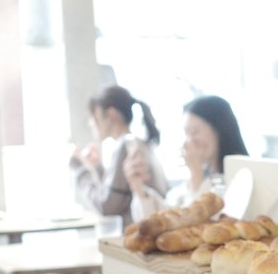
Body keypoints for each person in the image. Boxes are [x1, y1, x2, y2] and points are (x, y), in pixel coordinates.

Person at [124, 95, 248, 218]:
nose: (187, 142)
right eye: (186, 134)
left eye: (193, 132)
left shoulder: (241, 179)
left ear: (220, 130)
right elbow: (167, 221)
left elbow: (202, 227)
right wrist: (139, 189)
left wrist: (196, 174)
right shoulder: (187, 187)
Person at [70, 86, 168, 225]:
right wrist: (98, 167)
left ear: (111, 114)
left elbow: (107, 207)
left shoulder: (125, 146)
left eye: (94, 116)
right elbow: (120, 194)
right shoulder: (141, 143)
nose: (91, 123)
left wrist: (79, 169)